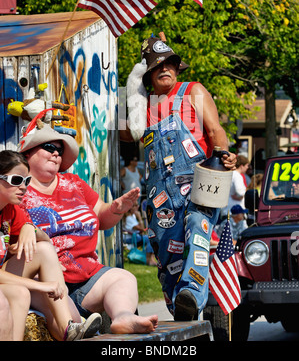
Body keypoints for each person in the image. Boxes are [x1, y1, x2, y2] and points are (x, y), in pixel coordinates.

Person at [120, 33, 236, 321]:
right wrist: (132, 90)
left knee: (197, 227)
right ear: (148, 75)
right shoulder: (142, 107)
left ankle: (192, 293)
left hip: (199, 182)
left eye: (170, 63)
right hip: (161, 196)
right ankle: (182, 311)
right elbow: (125, 134)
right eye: (157, 66)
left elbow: (216, 130)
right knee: (167, 254)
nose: (165, 69)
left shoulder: (193, 90)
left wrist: (224, 153)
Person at [19, 120, 158, 335]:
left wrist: (116, 209)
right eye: (49, 147)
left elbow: (101, 217)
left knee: (123, 278)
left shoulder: (74, 183)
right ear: (28, 153)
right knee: (72, 319)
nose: (56, 153)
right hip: (47, 279)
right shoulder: (18, 190)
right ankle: (72, 322)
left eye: (59, 149)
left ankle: (123, 317)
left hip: (87, 276)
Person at [0, 150, 102, 341]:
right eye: (16, 180)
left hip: (6, 276)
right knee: (22, 293)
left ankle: (69, 328)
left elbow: (46, 243)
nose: (23, 187)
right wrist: (42, 286)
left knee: (44, 252)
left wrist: (30, 228)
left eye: (26, 181)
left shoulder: (11, 210)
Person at [221, 154, 249, 219]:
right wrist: (242, 195)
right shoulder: (238, 176)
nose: (247, 167)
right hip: (236, 212)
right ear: (242, 166)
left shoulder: (229, 174)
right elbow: (240, 192)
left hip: (226, 209)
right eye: (247, 165)